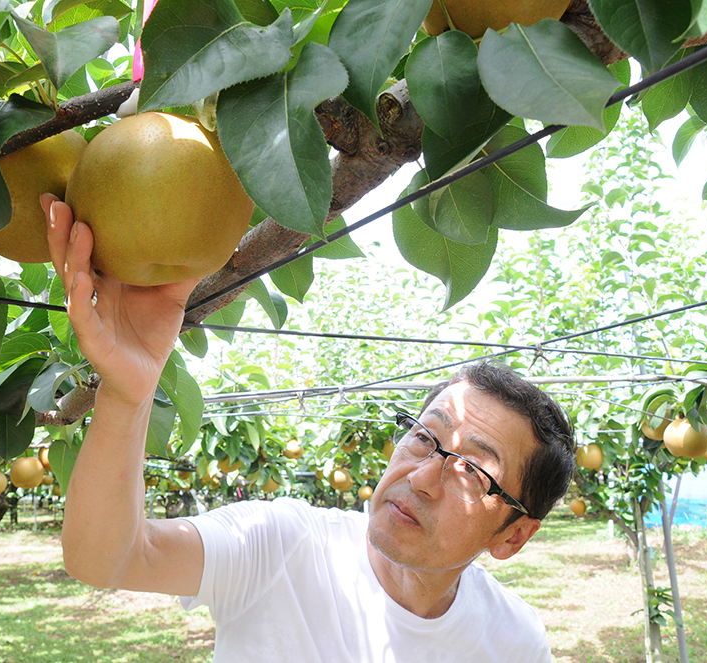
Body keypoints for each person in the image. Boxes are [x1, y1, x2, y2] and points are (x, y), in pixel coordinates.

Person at [41, 193, 577, 662]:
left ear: (513, 536)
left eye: (472, 471)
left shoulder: (515, 643)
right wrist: (126, 397)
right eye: (422, 437)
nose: (421, 478)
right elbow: (104, 559)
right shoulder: (283, 545)